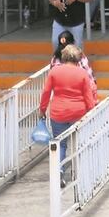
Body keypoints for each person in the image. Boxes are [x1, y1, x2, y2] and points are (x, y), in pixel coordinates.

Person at [40, 44, 98, 183]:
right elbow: (88, 97)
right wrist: (92, 112)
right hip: (78, 112)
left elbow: (46, 93)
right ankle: (81, 172)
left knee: (60, 144)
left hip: (58, 113)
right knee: (80, 142)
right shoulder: (82, 73)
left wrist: (42, 110)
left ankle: (59, 172)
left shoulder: (54, 72)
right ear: (78, 59)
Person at [50, 30, 97, 98]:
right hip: (79, 96)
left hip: (60, 97)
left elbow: (52, 80)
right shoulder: (80, 56)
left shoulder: (55, 59)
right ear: (73, 42)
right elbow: (90, 78)